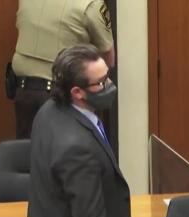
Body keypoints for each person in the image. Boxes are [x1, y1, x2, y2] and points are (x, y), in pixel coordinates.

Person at [28, 44, 131, 217]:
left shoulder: (50, 111)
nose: (109, 85)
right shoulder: (76, 147)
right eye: (101, 83)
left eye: (107, 76)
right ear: (77, 92)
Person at [11, 0, 115, 139]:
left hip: (24, 93)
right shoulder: (90, 4)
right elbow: (108, 57)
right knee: (69, 154)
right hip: (63, 97)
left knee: (29, 153)